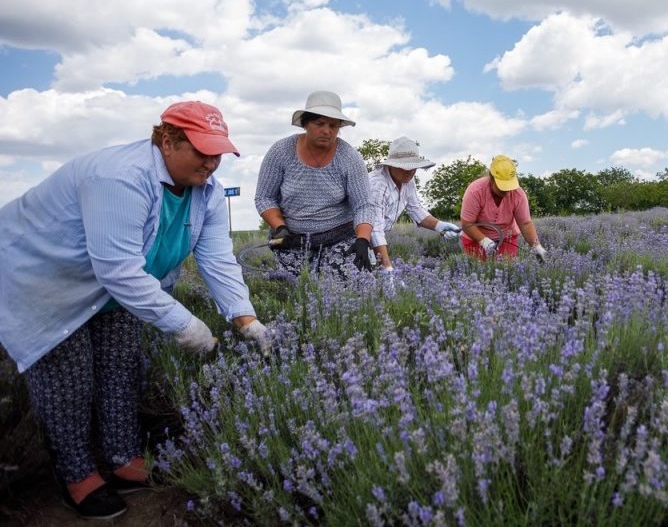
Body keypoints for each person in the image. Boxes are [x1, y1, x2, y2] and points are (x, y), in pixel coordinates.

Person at [0, 101, 269, 520]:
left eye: (218, 152)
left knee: (122, 367)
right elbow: (119, 269)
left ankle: (123, 458)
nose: (211, 163)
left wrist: (244, 316)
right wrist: (186, 325)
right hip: (45, 278)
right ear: (166, 139)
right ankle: (77, 473)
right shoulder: (121, 177)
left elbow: (218, 259)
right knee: (69, 378)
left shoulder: (208, 192)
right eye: (201, 151)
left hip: (121, 286)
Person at [254, 90, 374, 276]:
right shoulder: (281, 152)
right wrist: (279, 227)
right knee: (293, 288)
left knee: (345, 285)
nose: (326, 131)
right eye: (320, 124)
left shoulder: (349, 158)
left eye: (333, 126)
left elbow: (363, 205)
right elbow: (264, 197)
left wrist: (363, 240)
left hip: (339, 236)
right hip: (292, 238)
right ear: (305, 124)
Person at [367, 136, 461, 271]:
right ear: (391, 165)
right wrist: (387, 268)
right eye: (405, 167)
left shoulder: (408, 181)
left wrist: (439, 225)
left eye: (413, 167)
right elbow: (375, 230)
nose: (410, 171)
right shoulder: (378, 184)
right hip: (353, 239)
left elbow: (415, 208)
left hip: (374, 243)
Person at [460, 154, 547, 262]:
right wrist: (484, 241)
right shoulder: (475, 191)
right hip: (475, 239)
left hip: (506, 239)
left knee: (507, 270)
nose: (506, 191)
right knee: (478, 272)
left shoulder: (518, 194)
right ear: (492, 179)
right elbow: (467, 224)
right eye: (502, 186)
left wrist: (537, 247)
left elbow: (525, 224)